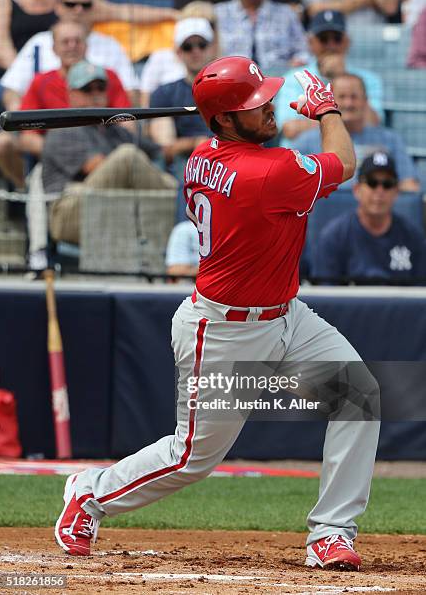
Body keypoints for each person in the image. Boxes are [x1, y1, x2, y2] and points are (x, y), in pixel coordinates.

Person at [55, 56, 380, 572]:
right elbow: (346, 159)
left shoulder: (204, 155)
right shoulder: (267, 172)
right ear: (225, 120)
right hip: (225, 331)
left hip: (286, 315)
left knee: (358, 394)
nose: (268, 106)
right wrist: (326, 111)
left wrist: (234, 112)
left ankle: (332, 532)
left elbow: (244, 148)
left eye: (263, 97)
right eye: (254, 105)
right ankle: (88, 492)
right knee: (192, 457)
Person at [42, 60, 177, 245]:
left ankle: (184, 205)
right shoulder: (64, 127)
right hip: (69, 212)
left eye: (101, 88)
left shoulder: (114, 129)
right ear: (72, 94)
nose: (96, 94)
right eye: (87, 89)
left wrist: (194, 143)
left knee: (173, 180)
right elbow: (96, 166)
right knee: (128, 156)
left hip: (109, 206)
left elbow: (161, 152)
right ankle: (181, 210)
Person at [0, 20, 131, 189]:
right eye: (65, 41)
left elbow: (128, 123)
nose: (72, 46)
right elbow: (27, 134)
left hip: (104, 150)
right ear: (54, 48)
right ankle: (22, 189)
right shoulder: (41, 81)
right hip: (57, 152)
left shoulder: (108, 76)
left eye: (77, 41)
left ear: (86, 45)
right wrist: (64, 150)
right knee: (2, 142)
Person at [0, 0, 140, 110]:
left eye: (85, 5)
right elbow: (12, 89)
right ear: (58, 7)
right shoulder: (39, 42)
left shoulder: (110, 45)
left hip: (98, 125)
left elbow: (131, 92)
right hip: (47, 126)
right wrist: (22, 122)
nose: (78, 9)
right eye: (70, 4)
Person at [292, 73, 419, 192]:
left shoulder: (390, 140)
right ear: (329, 100)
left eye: (354, 97)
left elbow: (409, 185)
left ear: (365, 101)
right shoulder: (307, 141)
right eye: (341, 97)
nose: (348, 103)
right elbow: (291, 182)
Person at [312, 152, 426, 284]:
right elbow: (326, 296)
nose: (380, 191)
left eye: (387, 184)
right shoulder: (334, 237)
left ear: (396, 192)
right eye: (372, 183)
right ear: (357, 190)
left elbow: (421, 293)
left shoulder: (413, 237)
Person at [274, 10, 383, 146]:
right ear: (311, 43)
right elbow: (290, 130)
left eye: (337, 38)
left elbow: (372, 123)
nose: (331, 46)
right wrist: (344, 118)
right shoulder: (294, 78)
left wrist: (341, 77)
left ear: (347, 42)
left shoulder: (369, 79)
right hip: (305, 158)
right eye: (323, 39)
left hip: (355, 154)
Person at [149, 18, 215, 169]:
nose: (195, 51)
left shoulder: (230, 89)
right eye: (187, 46)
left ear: (211, 49)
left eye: (202, 45)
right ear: (178, 52)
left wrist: (208, 143)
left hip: (227, 158)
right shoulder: (164, 93)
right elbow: (167, 149)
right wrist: (196, 143)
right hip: (186, 162)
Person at [214, 0, 308, 73]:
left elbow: (303, 50)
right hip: (232, 79)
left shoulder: (286, 14)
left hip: (279, 80)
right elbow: (208, 52)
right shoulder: (218, 13)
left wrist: (297, 62)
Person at [0, 0, 58, 79]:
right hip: (14, 74)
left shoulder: (68, 1)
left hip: (57, 72)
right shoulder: (5, 3)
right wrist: (22, 74)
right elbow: (1, 46)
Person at [297, 0, 399, 28]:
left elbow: (390, 7)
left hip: (373, 42)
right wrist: (360, 0)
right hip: (333, 42)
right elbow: (315, 10)